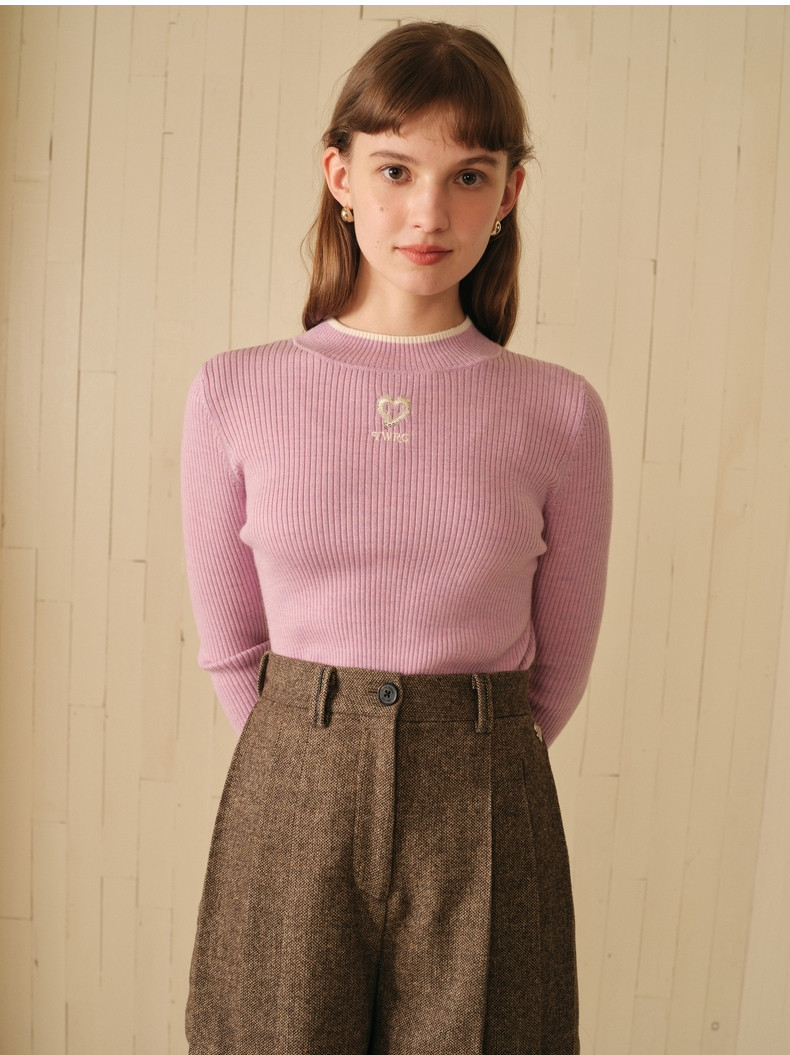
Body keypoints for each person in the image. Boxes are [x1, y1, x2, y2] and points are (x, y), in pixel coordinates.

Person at [181, 21, 611, 1055]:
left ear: (508, 193)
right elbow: (232, 649)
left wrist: (457, 765)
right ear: (340, 176)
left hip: (486, 797)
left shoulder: (559, 411)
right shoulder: (235, 392)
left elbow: (557, 670)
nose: (429, 212)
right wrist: (315, 758)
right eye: (395, 169)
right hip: (290, 787)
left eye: (469, 176)